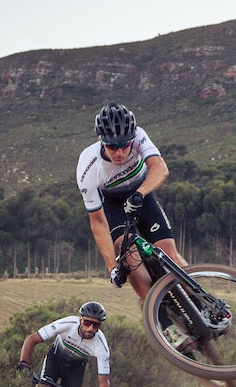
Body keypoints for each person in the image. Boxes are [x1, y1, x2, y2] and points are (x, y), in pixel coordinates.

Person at [76, 102, 192, 348]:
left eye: (124, 145)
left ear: (132, 138)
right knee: (129, 258)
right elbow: (97, 222)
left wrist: (139, 194)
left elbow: (160, 169)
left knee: (170, 254)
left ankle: (199, 304)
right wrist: (111, 268)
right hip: (113, 207)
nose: (119, 152)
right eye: (111, 146)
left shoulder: (139, 135)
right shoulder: (88, 167)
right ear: (101, 141)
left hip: (142, 194)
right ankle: (165, 324)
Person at [14, 301, 110, 387]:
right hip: (54, 361)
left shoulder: (101, 345)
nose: (90, 328)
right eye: (87, 322)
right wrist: (24, 362)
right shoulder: (68, 323)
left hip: (75, 372)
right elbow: (32, 339)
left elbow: (104, 381)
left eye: (96, 325)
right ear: (80, 319)